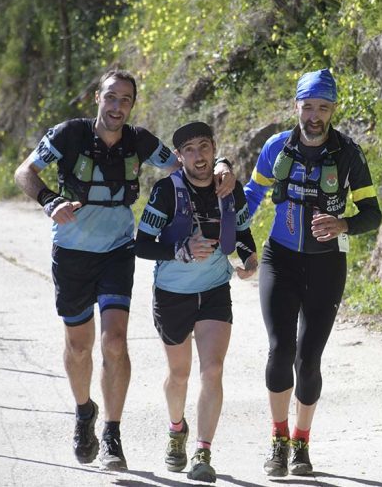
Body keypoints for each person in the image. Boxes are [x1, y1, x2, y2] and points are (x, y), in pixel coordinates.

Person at [13, 70, 234, 470]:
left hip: (118, 250)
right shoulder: (68, 135)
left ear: (133, 104)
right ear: (97, 97)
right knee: (79, 347)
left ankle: (112, 434)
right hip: (72, 253)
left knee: (115, 341)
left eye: (126, 100)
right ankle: (85, 413)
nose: (117, 107)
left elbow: (186, 162)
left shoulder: (140, 141)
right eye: (111, 98)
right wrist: (49, 200)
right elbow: (24, 172)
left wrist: (220, 164)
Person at [243, 68, 382, 477]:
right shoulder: (275, 147)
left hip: (326, 265)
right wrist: (237, 242)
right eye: (308, 107)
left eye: (323, 107)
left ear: (333, 109)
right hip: (279, 258)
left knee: (308, 359)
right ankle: (278, 440)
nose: (315, 115)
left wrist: (343, 225)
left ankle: (302, 444)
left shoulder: (349, 154)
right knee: (280, 349)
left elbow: (373, 213)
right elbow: (251, 197)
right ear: (296, 107)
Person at [135, 121, 257, 482]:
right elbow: (142, 244)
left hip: (215, 289)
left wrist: (249, 260)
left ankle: (203, 452)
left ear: (214, 148)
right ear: (179, 156)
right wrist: (180, 250)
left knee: (213, 369)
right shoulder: (165, 191)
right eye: (189, 149)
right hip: (172, 294)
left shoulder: (230, 189)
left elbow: (244, 233)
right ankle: (177, 430)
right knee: (179, 374)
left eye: (204, 146)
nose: (198, 155)